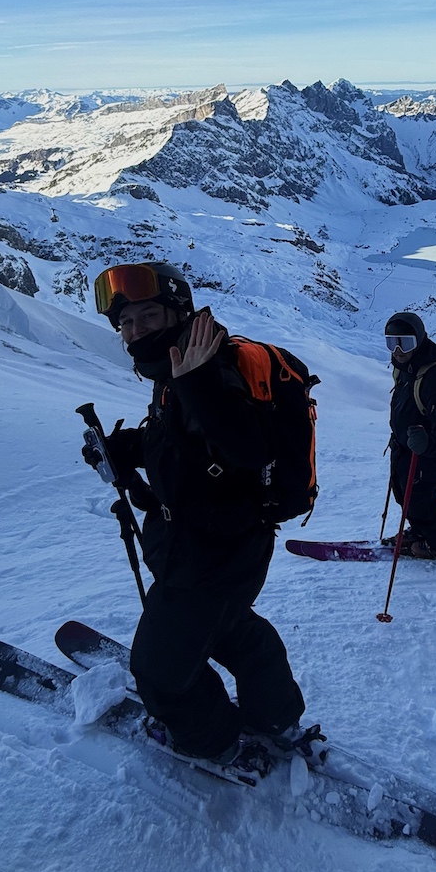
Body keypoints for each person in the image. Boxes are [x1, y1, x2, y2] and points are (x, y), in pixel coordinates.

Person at [86, 261, 319, 774]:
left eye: (146, 316)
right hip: (227, 548)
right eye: (125, 323)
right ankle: (277, 717)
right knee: (234, 628)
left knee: (159, 672)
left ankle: (216, 742)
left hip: (210, 555)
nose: (133, 332)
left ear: (178, 312)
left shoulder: (202, 371)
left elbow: (246, 446)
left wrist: (197, 384)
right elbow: (189, 446)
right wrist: (129, 448)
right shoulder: (181, 368)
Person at [385, 311, 436, 558]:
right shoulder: (406, 369)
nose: (397, 349)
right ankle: (420, 532)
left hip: (426, 456)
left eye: (405, 342)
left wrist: (426, 442)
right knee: (405, 498)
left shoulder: (433, 377)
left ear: (419, 340)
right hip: (405, 451)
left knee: (422, 503)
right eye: (392, 342)